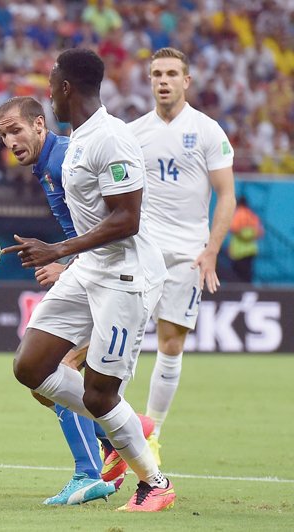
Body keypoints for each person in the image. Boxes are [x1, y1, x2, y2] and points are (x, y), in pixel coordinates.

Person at [3, 48, 174, 512]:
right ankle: (120, 424)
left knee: (99, 393)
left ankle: (154, 482)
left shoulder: (111, 138)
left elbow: (128, 219)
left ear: (64, 88)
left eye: (51, 84)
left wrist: (59, 251)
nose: (49, 93)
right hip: (90, 270)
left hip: (124, 276)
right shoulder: (76, 139)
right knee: (30, 368)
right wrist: (68, 256)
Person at [0, 96, 115, 505]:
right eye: (2, 134)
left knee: (52, 368)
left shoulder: (65, 159)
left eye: (16, 130)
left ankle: (89, 470)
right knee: (42, 383)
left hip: (111, 277)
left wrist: (68, 263)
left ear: (40, 125)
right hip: (93, 273)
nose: (10, 140)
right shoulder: (47, 166)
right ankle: (118, 433)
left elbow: (108, 223)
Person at [127, 47, 236, 470]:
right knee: (122, 339)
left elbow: (226, 194)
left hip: (189, 254)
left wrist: (211, 250)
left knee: (171, 345)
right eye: (157, 74)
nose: (164, 80)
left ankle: (153, 434)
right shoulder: (134, 132)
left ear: (186, 81)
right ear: (150, 80)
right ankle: (117, 430)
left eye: (172, 73)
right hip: (143, 249)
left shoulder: (207, 131)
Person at [228, 196, 263, 283]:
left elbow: (233, 228)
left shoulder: (238, 214)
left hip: (238, 251)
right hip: (250, 250)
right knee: (247, 275)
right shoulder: (252, 215)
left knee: (238, 276)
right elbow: (260, 232)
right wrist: (249, 235)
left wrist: (242, 234)